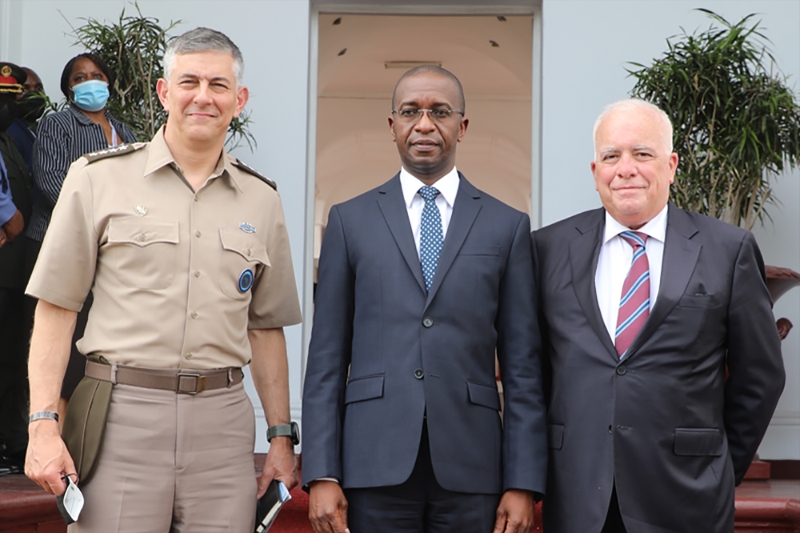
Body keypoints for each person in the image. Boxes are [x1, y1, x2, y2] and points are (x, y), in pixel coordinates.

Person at [24, 27, 302, 531]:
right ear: (163, 91)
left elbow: (265, 328)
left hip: (222, 425)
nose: (203, 96)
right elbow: (56, 308)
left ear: (238, 99)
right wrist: (42, 426)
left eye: (219, 85)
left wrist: (281, 436)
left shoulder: (262, 200)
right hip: (120, 420)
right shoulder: (96, 178)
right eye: (189, 81)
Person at [302, 65, 547, 533]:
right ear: (391, 125)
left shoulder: (507, 225)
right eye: (410, 112)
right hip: (371, 464)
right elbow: (327, 359)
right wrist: (321, 470)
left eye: (440, 112)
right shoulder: (349, 221)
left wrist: (523, 480)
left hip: (474, 468)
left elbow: (523, 367)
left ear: (463, 125)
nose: (425, 124)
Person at [532, 99, 786, 533]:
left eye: (642, 154)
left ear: (670, 166)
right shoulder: (547, 249)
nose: (625, 168)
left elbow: (759, 377)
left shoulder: (728, 249)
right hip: (577, 497)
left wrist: (720, 468)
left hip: (688, 498)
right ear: (595, 173)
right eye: (611, 156)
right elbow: (532, 373)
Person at [27, 53, 137, 427]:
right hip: (60, 246)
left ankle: (85, 433)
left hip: (111, 256)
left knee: (97, 344)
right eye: (79, 78)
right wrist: (102, 221)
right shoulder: (57, 125)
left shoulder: (127, 133)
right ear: (68, 88)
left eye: (97, 75)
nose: (90, 82)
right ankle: (48, 435)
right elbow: (51, 182)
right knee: (61, 345)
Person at [0, 62, 34, 475]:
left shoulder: (10, 140)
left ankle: (10, 439)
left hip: (12, 270)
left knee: (10, 358)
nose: (7, 106)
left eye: (10, 99)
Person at [9, 66, 45, 172]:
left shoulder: (43, 129)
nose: (34, 94)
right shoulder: (10, 131)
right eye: (24, 89)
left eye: (38, 88)